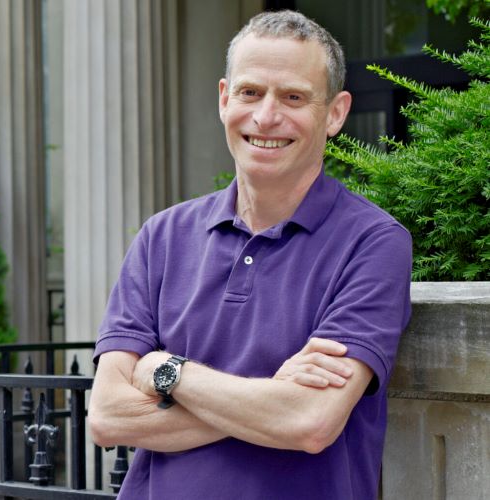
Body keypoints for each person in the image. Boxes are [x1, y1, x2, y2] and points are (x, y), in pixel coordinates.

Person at [88, 10, 412, 500]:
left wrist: (165, 370)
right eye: (250, 92)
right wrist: (273, 396)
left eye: (294, 97)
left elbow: (309, 422)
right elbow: (108, 418)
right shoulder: (162, 237)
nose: (265, 117)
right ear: (224, 99)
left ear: (336, 113)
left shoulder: (372, 242)